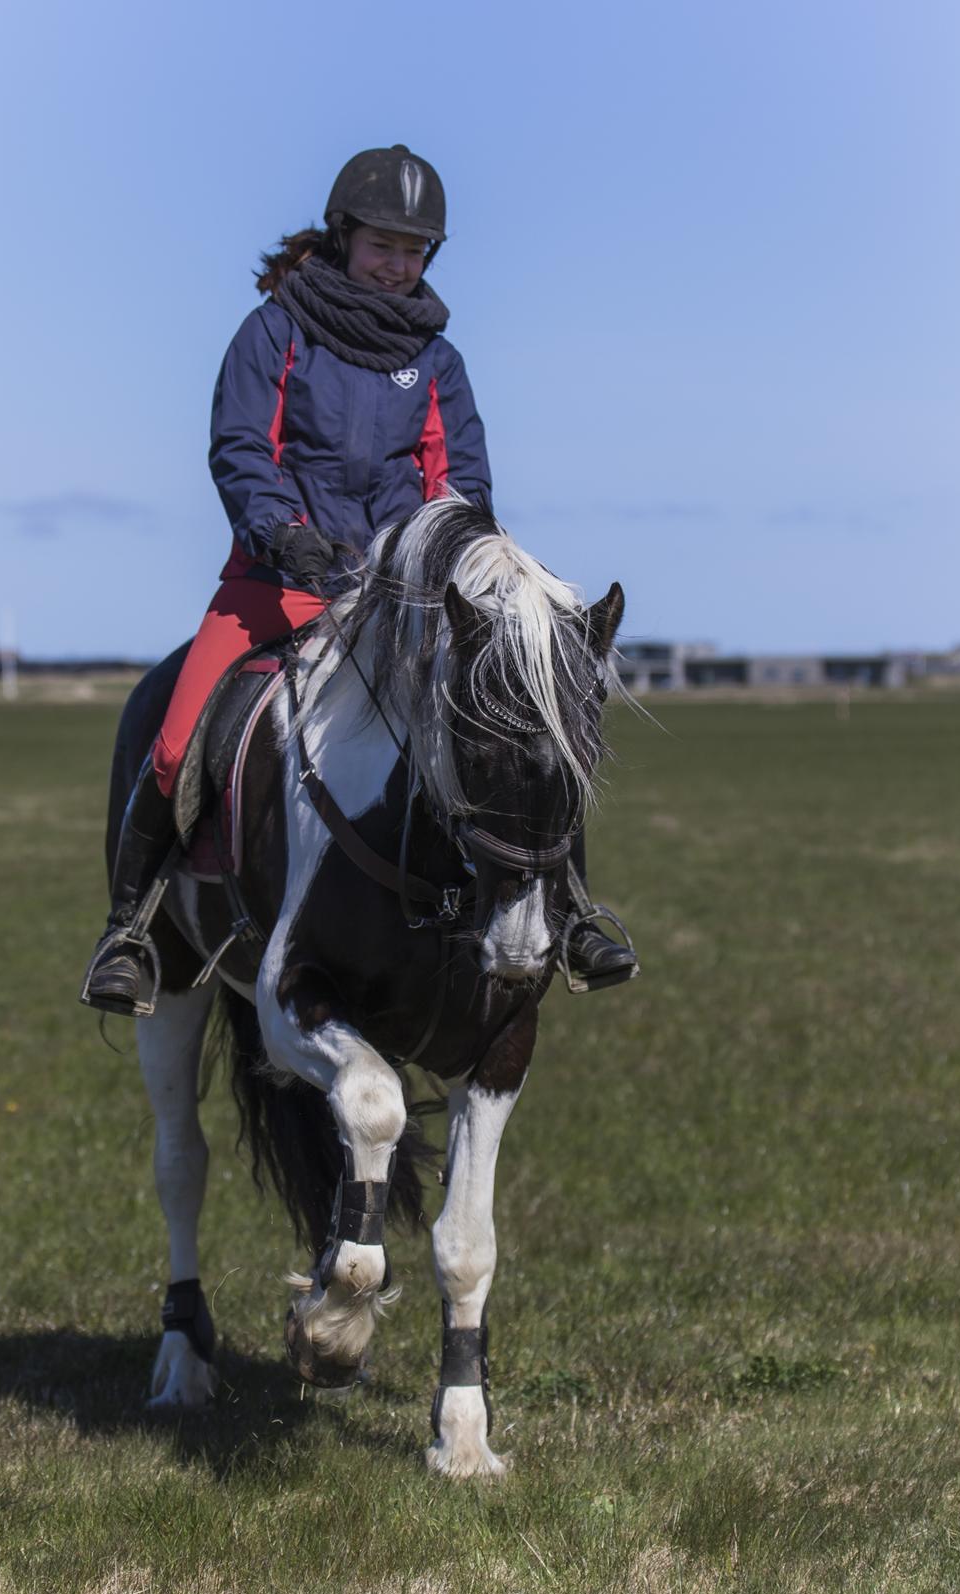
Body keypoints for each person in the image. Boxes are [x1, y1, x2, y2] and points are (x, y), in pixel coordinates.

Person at [82, 144, 637, 1017]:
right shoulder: (275, 330)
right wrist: (285, 535)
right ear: (342, 237)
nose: (397, 265)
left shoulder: (437, 360)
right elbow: (241, 450)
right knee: (178, 741)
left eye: (414, 252)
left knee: (520, 728)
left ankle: (570, 915)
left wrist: (434, 565)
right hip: (277, 581)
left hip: (399, 599)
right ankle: (130, 930)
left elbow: (461, 487)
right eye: (383, 245)